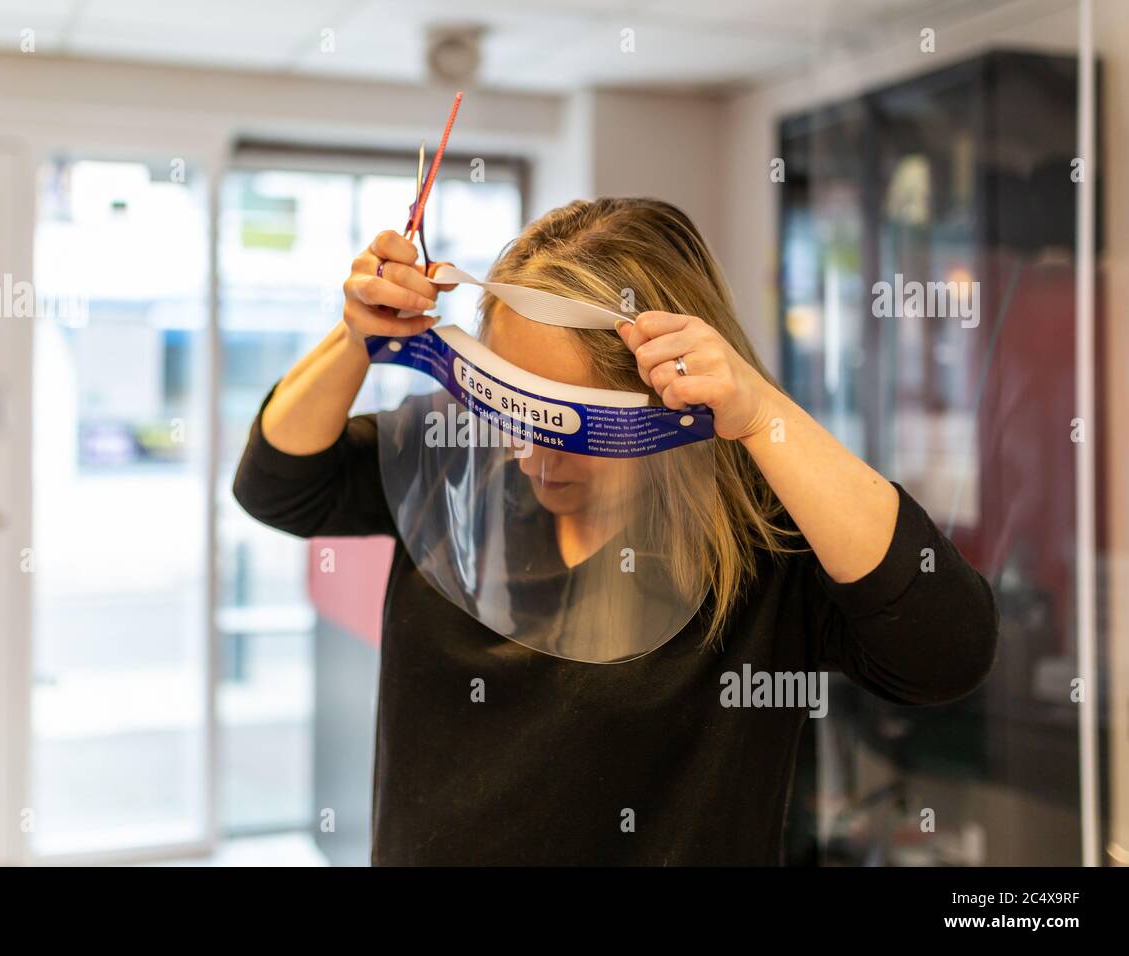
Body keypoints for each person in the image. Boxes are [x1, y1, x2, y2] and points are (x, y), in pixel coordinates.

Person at [233, 197, 999, 865]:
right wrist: (357, 337)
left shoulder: (765, 545)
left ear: (669, 404)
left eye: (578, 424)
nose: (533, 455)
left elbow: (945, 652)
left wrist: (762, 412)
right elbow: (277, 486)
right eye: (511, 404)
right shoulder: (453, 460)